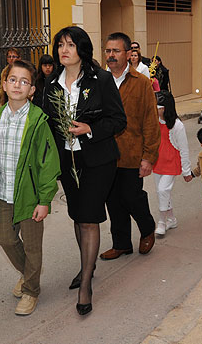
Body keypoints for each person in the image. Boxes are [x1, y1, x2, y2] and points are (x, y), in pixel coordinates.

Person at [0, 59, 60, 316]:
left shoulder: (38, 121)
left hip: (30, 195)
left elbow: (48, 164)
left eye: (24, 81)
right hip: (2, 193)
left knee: (32, 246)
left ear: (32, 90)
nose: (18, 85)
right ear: (4, 84)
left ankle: (31, 291)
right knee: (5, 239)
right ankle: (29, 275)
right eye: (13, 80)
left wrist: (45, 200)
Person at [42, 26, 126, 316]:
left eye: (70, 45)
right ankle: (86, 265)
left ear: (82, 49)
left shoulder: (100, 80)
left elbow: (118, 120)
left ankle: (86, 284)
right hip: (68, 161)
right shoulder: (51, 83)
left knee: (89, 218)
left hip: (99, 160)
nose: (64, 50)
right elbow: (47, 125)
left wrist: (90, 128)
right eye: (60, 45)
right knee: (77, 216)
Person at [101, 32, 160, 260]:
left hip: (132, 154)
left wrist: (148, 157)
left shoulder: (142, 83)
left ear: (128, 54)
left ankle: (147, 229)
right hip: (106, 156)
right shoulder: (99, 82)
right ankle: (121, 243)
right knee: (113, 201)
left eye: (116, 51)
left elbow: (150, 122)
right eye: (108, 51)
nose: (111, 55)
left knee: (131, 197)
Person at [152, 91, 191, 237]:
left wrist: (186, 171)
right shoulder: (153, 121)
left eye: (159, 107)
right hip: (157, 162)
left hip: (171, 162)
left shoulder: (177, 125)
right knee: (162, 192)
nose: (156, 110)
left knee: (163, 190)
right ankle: (171, 219)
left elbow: (184, 149)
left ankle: (161, 221)